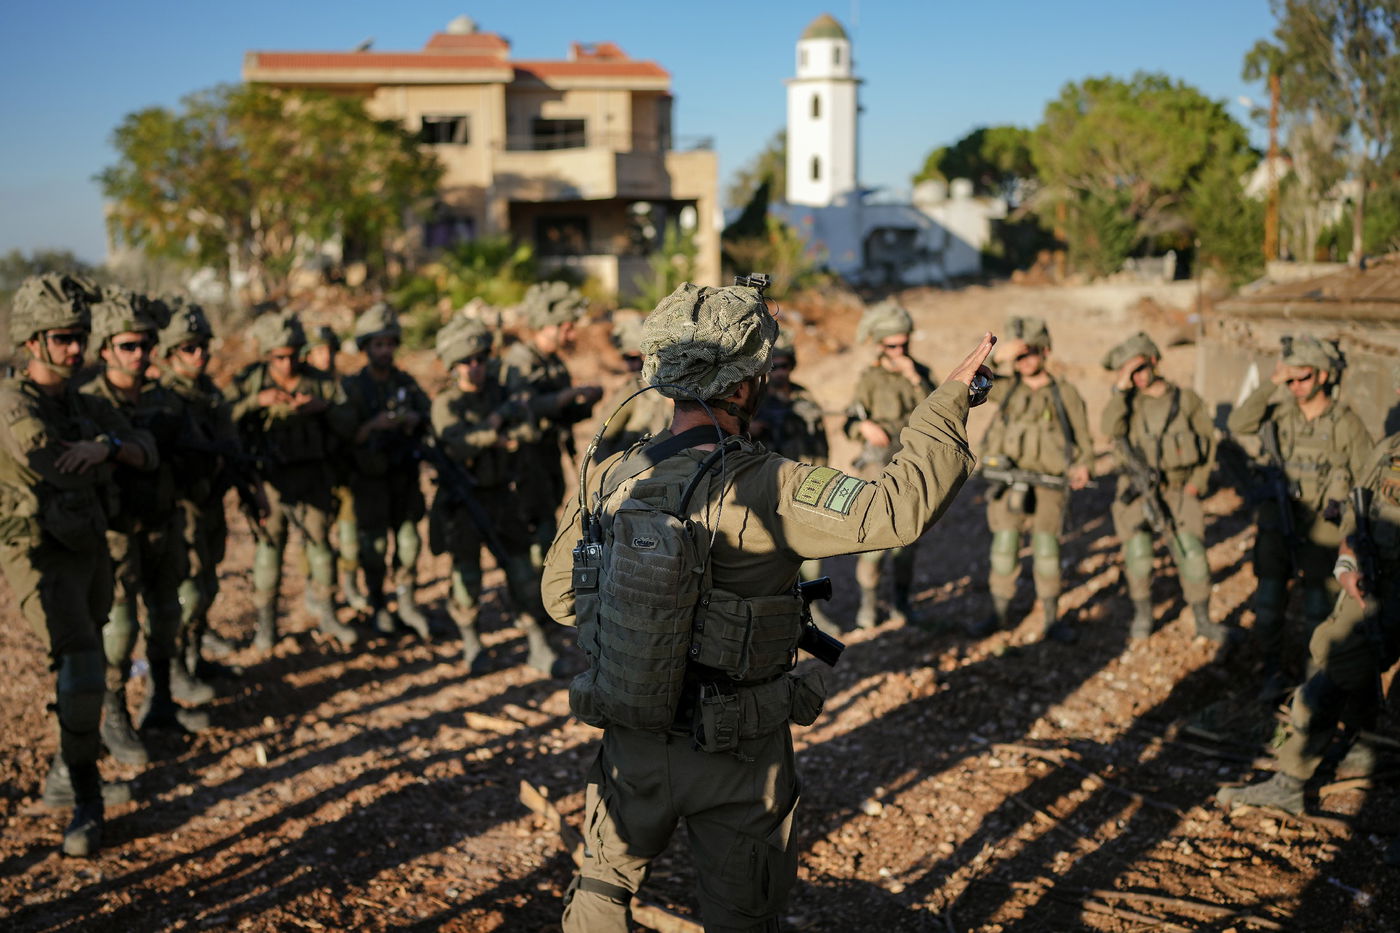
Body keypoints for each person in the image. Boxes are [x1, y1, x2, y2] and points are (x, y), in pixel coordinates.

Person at [541, 281, 994, 931]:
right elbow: (896, 509)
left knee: (602, 886)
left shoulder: (611, 474)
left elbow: (561, 598)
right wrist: (947, 403)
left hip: (631, 739)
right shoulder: (771, 483)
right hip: (739, 755)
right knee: (742, 915)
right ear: (745, 382)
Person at [0, 274, 154, 856]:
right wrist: (108, 452)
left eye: (80, 338)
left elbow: (145, 450)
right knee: (83, 667)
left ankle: (67, 774)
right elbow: (53, 465)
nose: (75, 349)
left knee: (90, 658)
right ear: (32, 341)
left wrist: (106, 447)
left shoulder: (84, 404)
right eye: (62, 338)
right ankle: (86, 800)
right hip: (39, 552)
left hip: (88, 546)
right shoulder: (13, 403)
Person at [1218, 385, 1399, 818]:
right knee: (1328, 673)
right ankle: (1292, 779)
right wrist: (1349, 555)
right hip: (1373, 591)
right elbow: (1360, 501)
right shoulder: (1393, 447)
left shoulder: (1349, 426)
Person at [81, 288, 213, 751]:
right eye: (128, 345)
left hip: (163, 522)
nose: (139, 354)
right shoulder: (87, 404)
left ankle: (161, 702)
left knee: (167, 615)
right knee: (119, 631)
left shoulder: (166, 400)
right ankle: (114, 713)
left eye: (146, 345)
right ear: (105, 349)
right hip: (115, 532)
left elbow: (194, 461)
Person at [1227, 335, 1372, 694]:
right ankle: (1271, 672)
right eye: (1289, 379)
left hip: (1324, 528)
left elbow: (1364, 482)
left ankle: (1313, 683)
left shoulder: (1346, 423)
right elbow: (1238, 424)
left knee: (1318, 610)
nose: (1295, 386)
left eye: (1303, 377)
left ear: (1322, 375)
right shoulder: (1279, 414)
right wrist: (1271, 382)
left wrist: (1353, 535)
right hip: (1278, 522)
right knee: (1267, 604)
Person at [428, 313, 558, 673]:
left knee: (522, 572)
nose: (475, 367)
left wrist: (502, 429)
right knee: (467, 579)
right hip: (465, 501)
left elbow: (528, 430)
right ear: (453, 366)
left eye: (480, 359)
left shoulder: (500, 393)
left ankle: (537, 643)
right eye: (466, 362)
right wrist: (495, 429)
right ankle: (472, 642)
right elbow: (456, 444)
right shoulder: (447, 403)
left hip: (503, 496)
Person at [229, 308, 357, 649]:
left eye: (292, 356)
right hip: (268, 482)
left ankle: (327, 613)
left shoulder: (321, 382)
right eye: (279, 358)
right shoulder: (251, 381)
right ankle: (266, 623)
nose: (287, 364)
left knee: (321, 547)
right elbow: (221, 419)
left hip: (313, 477)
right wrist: (255, 402)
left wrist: (322, 408)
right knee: (269, 552)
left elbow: (350, 423)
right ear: (267, 354)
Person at [1101, 332, 1232, 643]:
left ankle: (1203, 619)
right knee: (1138, 554)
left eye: (1140, 368)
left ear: (1154, 361)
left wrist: (1197, 484)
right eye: (1129, 372)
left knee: (1192, 554)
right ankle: (1143, 615)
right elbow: (1108, 429)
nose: (1137, 377)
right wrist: (1120, 389)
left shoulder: (1186, 400)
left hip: (1180, 488)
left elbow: (1207, 444)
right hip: (1137, 490)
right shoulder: (1126, 403)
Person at [974, 316, 1092, 642]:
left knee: (1047, 552)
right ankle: (999, 615)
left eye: (1030, 353)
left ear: (1046, 352)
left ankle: (1052, 619)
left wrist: (1083, 465)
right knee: (1004, 549)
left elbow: (1083, 437)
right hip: (1009, 482)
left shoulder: (1064, 392)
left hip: (1049, 485)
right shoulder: (1007, 388)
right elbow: (972, 379)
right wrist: (1000, 357)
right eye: (1019, 356)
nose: (1024, 361)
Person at [156, 299, 256, 683]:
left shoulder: (210, 393)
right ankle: (177, 668)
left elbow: (231, 448)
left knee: (208, 583)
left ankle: (195, 656)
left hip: (211, 501)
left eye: (203, 346)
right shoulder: (164, 398)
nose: (199, 355)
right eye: (189, 348)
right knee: (189, 591)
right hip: (182, 508)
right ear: (170, 352)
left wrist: (250, 490)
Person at [331, 304, 432, 638]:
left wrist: (413, 420)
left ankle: (406, 602)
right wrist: (375, 425)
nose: (385, 351)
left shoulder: (405, 383)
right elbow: (344, 435)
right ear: (366, 347)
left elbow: (429, 417)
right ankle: (377, 604)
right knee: (372, 548)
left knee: (409, 544)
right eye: (378, 344)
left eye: (390, 344)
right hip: (369, 481)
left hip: (404, 477)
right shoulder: (352, 387)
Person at [844, 300, 937, 628]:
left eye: (904, 344)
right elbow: (849, 421)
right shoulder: (870, 378)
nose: (900, 351)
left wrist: (914, 378)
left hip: (911, 465)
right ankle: (868, 606)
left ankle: (902, 603)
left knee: (907, 541)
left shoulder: (921, 374)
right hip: (877, 469)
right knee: (873, 542)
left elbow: (938, 412)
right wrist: (863, 426)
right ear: (880, 345)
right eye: (892, 346)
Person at [502, 282, 603, 572]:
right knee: (537, 521)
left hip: (549, 453)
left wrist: (586, 401)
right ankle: (535, 581)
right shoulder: (520, 360)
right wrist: (568, 395)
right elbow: (525, 407)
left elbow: (563, 414)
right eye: (567, 328)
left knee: (550, 512)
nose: (572, 335)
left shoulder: (554, 362)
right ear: (549, 326)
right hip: (526, 454)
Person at [306, 324, 370, 613]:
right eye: (319, 351)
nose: (326, 357)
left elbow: (352, 426)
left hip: (343, 470)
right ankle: (315, 589)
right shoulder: (302, 386)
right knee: (315, 538)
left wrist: (327, 408)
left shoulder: (343, 387)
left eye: (330, 350)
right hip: (313, 477)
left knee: (350, 536)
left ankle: (351, 586)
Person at [592, 309, 671, 463]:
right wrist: (614, 473)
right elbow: (601, 440)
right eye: (628, 359)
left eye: (636, 358)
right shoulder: (633, 390)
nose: (633, 365)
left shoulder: (677, 389)